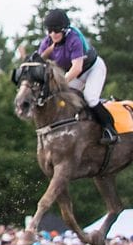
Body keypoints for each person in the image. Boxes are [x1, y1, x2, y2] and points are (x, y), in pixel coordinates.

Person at [37, 9, 116, 144]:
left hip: (92, 69)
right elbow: (39, 60)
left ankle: (110, 129)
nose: (52, 34)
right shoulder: (48, 41)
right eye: (50, 31)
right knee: (62, 98)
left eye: (56, 31)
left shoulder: (74, 39)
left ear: (64, 29)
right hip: (74, 73)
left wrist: (61, 83)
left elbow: (77, 68)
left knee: (90, 98)